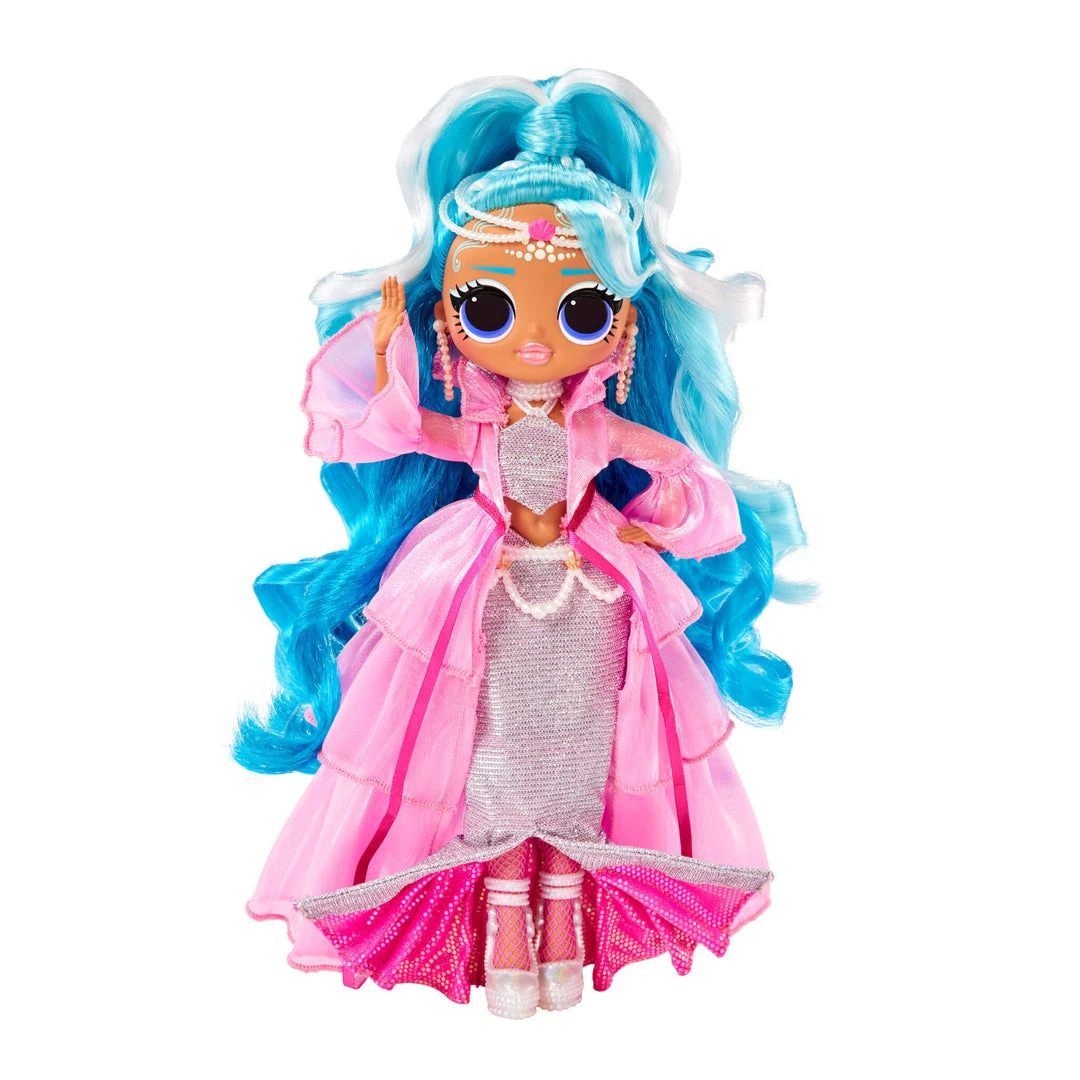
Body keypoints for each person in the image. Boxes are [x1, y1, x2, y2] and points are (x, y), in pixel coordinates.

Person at [237, 70, 809, 1019]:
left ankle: (565, 926)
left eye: (580, 310)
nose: (536, 342)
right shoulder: (476, 429)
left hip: (593, 601)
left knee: (579, 765)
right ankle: (503, 937)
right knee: (488, 765)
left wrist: (661, 514)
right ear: (451, 318)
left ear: (622, 323)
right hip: (478, 594)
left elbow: (695, 482)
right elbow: (393, 427)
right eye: (491, 308)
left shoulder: (602, 430)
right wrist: (384, 353)